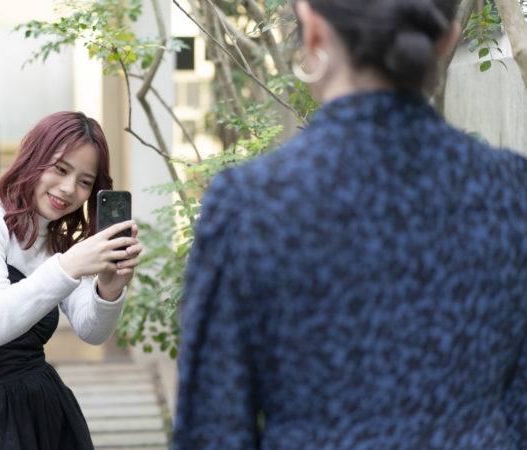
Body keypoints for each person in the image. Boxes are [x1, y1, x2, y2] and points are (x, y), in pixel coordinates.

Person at [174, 0, 527, 448]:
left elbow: (212, 428)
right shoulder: (510, 191)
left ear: (313, 28)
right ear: (447, 40)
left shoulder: (251, 204)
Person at [0, 111, 142, 449]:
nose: (69, 189)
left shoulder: (56, 243)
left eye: (85, 182)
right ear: (33, 159)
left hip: (40, 409)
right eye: (61, 169)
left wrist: (109, 288)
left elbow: (92, 331)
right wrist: (68, 266)